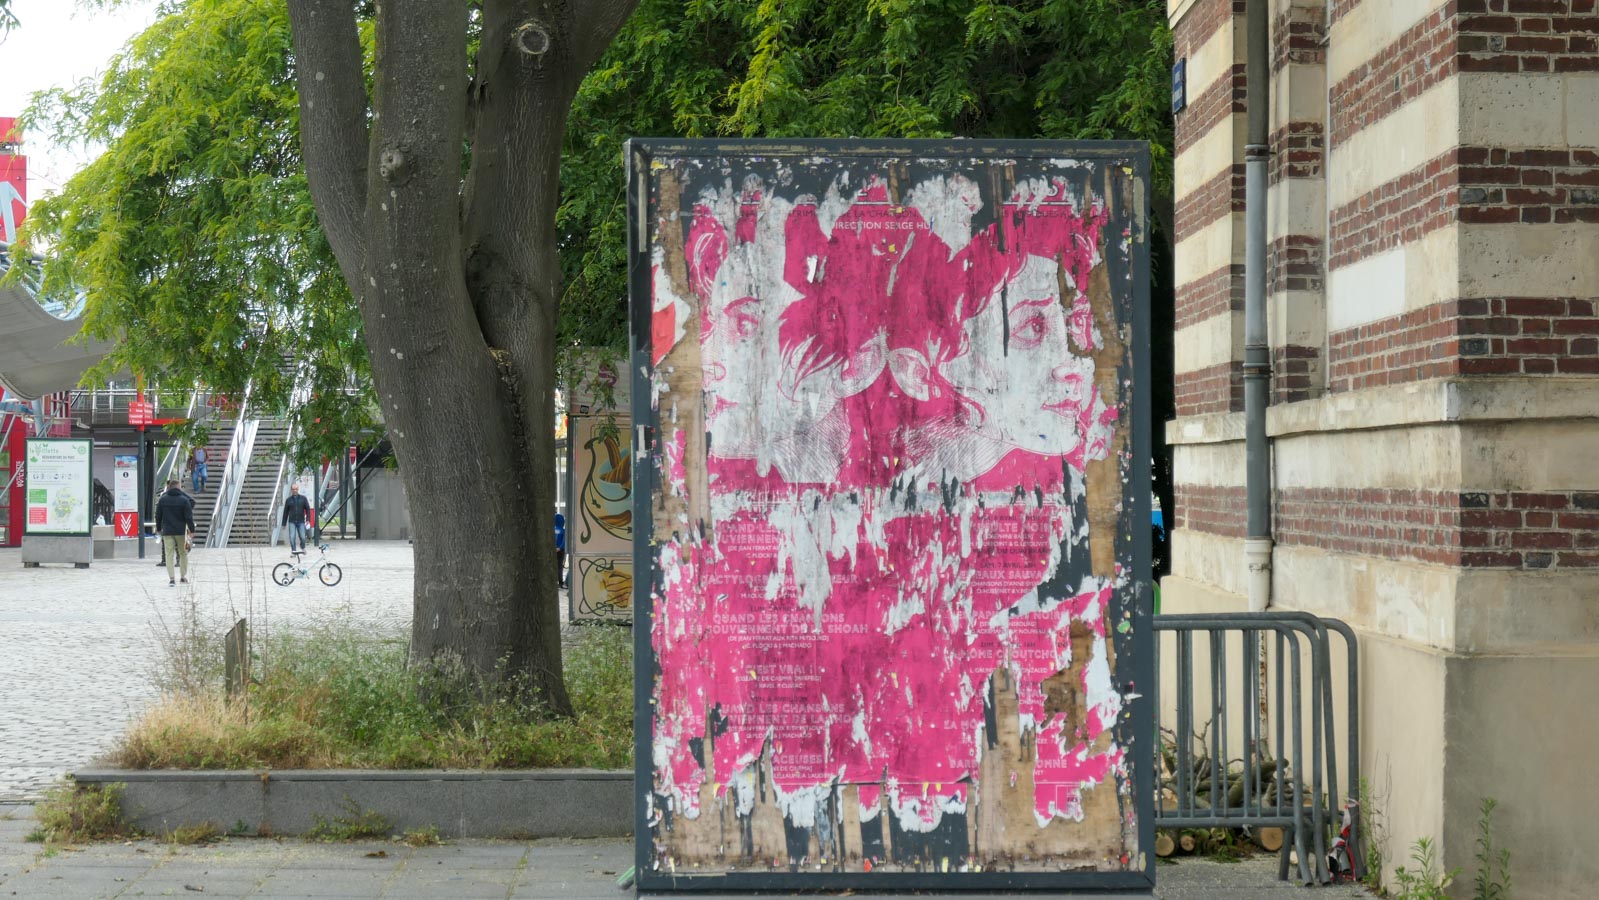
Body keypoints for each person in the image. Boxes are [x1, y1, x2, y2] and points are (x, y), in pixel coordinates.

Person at [155, 478, 195, 586]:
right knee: (183, 553)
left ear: (169, 487)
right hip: (181, 531)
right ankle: (183, 576)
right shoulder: (184, 500)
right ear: (179, 487)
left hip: (167, 531)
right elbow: (188, 517)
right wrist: (191, 530)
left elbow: (158, 516)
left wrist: (158, 528)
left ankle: (172, 579)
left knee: (169, 554)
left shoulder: (163, 500)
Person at [282, 482, 311, 553]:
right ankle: (293, 550)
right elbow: (285, 512)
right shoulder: (288, 500)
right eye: (293, 489)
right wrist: (284, 523)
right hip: (292, 521)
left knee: (303, 537)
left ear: (298, 489)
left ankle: (302, 547)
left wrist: (308, 519)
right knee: (292, 537)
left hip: (301, 521)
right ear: (291, 490)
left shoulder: (303, 498)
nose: (295, 490)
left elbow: (308, 509)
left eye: (296, 489)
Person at [554, 512, 567, 587]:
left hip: (553, 550)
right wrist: (560, 548)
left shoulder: (552, 530)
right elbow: (564, 541)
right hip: (560, 551)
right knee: (560, 566)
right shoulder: (563, 531)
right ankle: (560, 582)